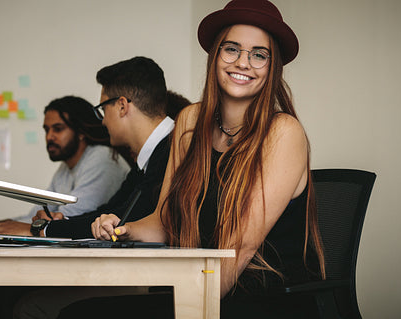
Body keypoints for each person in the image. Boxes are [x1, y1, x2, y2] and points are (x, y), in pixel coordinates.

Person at [67, 0, 326, 317]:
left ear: (272, 67)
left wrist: (188, 303)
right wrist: (121, 228)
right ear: (215, 55)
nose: (244, 62)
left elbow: (238, 249)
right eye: (232, 49)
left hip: (264, 297)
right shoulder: (189, 121)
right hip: (204, 287)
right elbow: (164, 221)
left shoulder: (283, 132)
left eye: (259, 54)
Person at [4, 56, 189, 319]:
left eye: (103, 109)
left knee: (34, 305)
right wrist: (55, 225)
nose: (102, 121)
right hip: (152, 275)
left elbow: (124, 221)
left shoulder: (173, 149)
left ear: (122, 106)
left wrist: (47, 228)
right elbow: (111, 211)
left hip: (164, 282)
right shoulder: (151, 155)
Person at [0, 96, 131, 236]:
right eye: (47, 130)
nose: (49, 137)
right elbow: (36, 214)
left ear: (80, 132)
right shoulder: (65, 168)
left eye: (58, 129)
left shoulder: (103, 158)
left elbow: (67, 216)